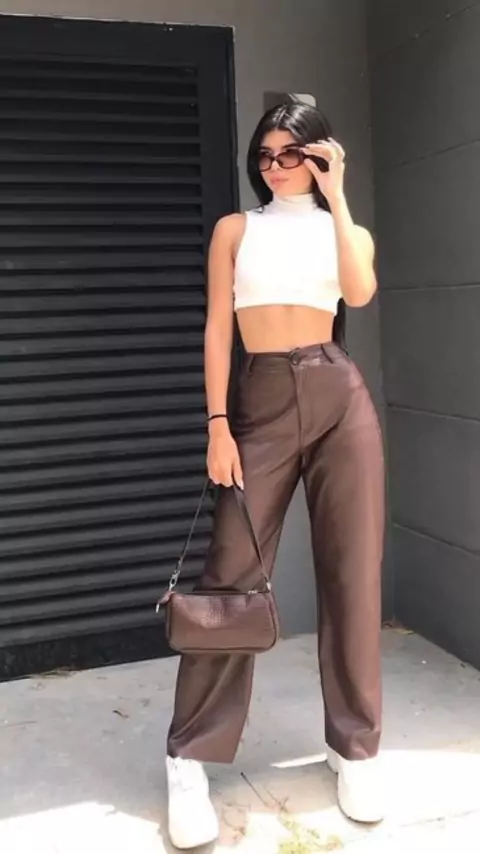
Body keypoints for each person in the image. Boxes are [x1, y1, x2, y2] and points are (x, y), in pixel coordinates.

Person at [165, 101, 385, 850]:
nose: (276, 166)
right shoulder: (237, 229)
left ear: (321, 155)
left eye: (293, 153)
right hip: (258, 398)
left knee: (353, 575)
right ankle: (188, 757)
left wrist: (340, 195)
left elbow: (359, 293)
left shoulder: (346, 231)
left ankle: (355, 749)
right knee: (231, 574)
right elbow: (216, 328)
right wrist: (217, 423)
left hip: (338, 395)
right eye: (266, 154)